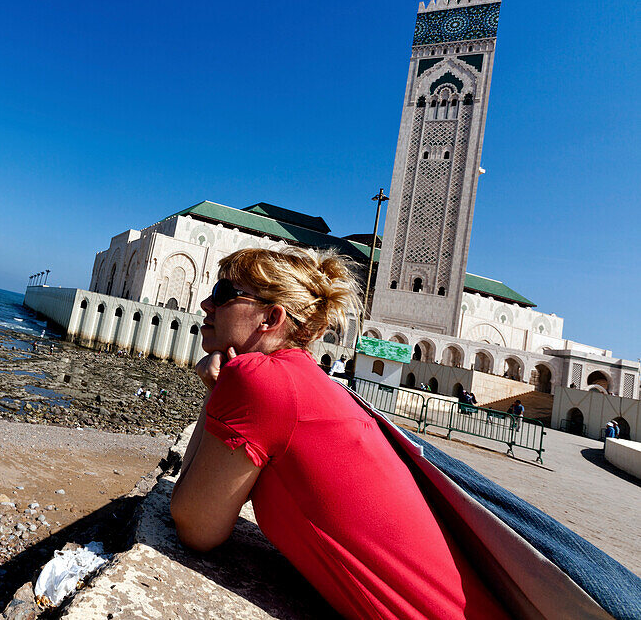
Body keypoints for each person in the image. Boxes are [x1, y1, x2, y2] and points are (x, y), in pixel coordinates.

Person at [170, 248, 508, 619]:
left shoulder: (261, 380)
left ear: (271, 317)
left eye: (222, 294)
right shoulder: (317, 384)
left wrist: (218, 391)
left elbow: (195, 526)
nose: (205, 303)